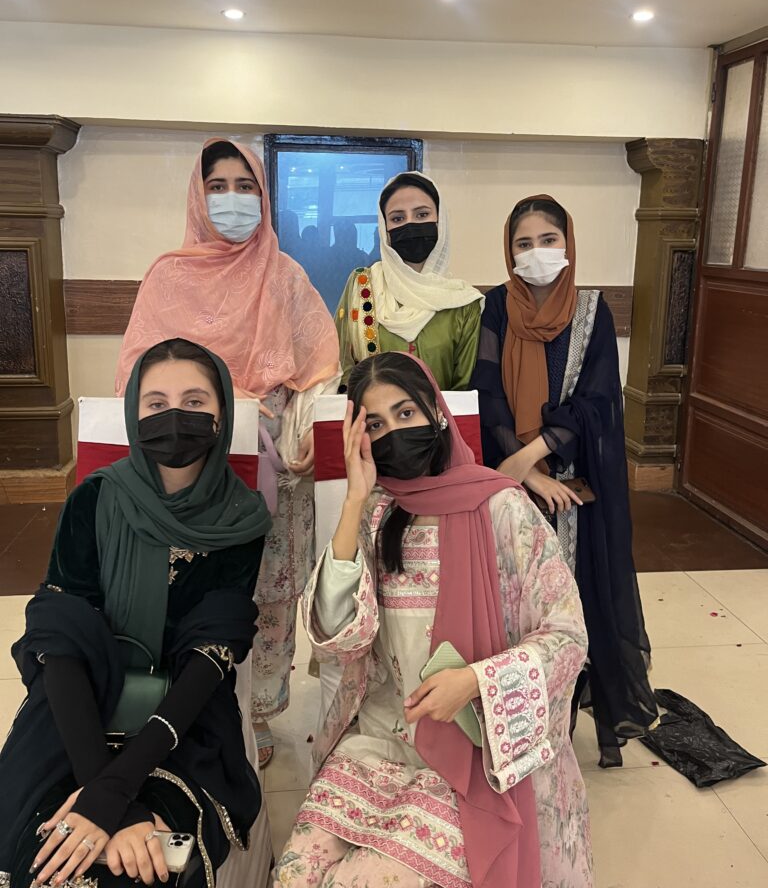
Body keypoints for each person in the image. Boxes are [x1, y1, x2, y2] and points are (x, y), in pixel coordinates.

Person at [275, 352, 592, 888]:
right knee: (296, 876)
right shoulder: (377, 515)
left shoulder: (503, 509)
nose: (393, 431)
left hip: (474, 753)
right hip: (382, 737)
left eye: (405, 414)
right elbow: (333, 631)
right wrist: (353, 500)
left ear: (437, 414)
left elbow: (567, 637)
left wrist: (473, 682)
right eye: (374, 423)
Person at [0, 339, 272, 888]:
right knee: (44, 858)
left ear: (222, 414)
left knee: (148, 872)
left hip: (185, 716)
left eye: (195, 401)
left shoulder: (241, 521)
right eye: (156, 403)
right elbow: (61, 639)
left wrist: (114, 790)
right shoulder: (94, 501)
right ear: (134, 413)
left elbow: (208, 658)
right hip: (76, 704)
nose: (176, 416)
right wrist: (108, 797)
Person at [115, 140, 340, 767]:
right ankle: (187, 704)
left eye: (247, 186)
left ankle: (259, 712)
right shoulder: (168, 277)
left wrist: (297, 434)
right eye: (219, 186)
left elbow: (321, 367)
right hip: (184, 467)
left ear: (264, 199)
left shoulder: (285, 273)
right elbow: (134, 372)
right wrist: (212, 402)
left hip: (267, 468)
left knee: (263, 595)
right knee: (191, 590)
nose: (234, 199)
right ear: (198, 193)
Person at [470, 195, 657, 767]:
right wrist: (518, 469)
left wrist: (534, 460)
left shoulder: (593, 309)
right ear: (509, 252)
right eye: (523, 244)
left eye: (548, 240)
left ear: (569, 244)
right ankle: (518, 719)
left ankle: (568, 710)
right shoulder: (498, 307)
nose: (537, 253)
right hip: (512, 481)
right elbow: (487, 391)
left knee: (571, 602)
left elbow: (596, 400)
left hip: (573, 483)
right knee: (514, 606)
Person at [335, 171, 483, 391]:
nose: (410, 224)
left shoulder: (462, 303)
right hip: (369, 421)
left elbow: (464, 390)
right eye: (397, 218)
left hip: (441, 423)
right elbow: (342, 367)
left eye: (422, 215)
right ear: (385, 229)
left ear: (440, 221)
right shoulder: (362, 284)